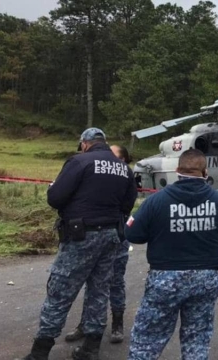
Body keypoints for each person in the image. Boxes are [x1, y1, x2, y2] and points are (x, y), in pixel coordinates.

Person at [22, 128, 138, 360]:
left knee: (60, 290)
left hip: (81, 236)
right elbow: (128, 203)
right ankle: (90, 349)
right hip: (111, 237)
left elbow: (55, 198)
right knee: (99, 291)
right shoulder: (123, 168)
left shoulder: (79, 162)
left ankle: (40, 352)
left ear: (84, 143)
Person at [125, 148, 218, 360]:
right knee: (197, 338)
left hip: (165, 280)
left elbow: (132, 233)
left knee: (148, 339)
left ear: (177, 170)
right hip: (207, 279)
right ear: (205, 172)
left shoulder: (156, 201)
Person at [64, 144, 134, 344]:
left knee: (115, 282)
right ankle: (86, 325)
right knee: (92, 284)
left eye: (113, 156)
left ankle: (117, 323)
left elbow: (125, 208)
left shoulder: (124, 180)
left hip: (117, 237)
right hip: (96, 236)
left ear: (122, 161)